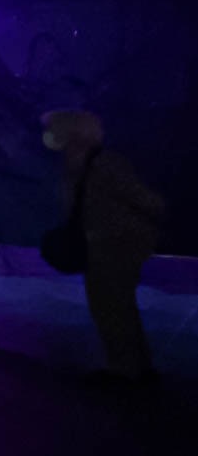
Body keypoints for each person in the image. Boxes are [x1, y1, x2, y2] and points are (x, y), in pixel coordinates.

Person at [41, 109, 164, 385]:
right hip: (106, 244)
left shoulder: (100, 163)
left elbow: (144, 199)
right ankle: (137, 365)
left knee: (110, 305)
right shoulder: (81, 162)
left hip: (114, 245)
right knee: (116, 304)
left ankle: (125, 369)